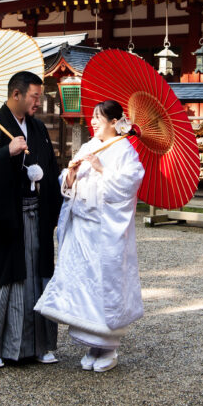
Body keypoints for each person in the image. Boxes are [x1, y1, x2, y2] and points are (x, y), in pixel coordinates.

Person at [34, 99, 145, 373]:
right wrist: (70, 176)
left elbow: (128, 185)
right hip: (82, 228)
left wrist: (101, 169)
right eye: (93, 117)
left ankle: (108, 348)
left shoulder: (124, 150)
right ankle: (92, 346)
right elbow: (69, 186)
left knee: (104, 282)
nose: (93, 121)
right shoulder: (88, 146)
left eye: (99, 118)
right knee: (84, 283)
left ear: (114, 122)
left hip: (105, 230)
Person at [0, 70, 61, 369]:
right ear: (16, 94)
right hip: (6, 218)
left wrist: (46, 179)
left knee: (39, 276)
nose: (38, 103)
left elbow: (49, 164)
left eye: (40, 97)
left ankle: (42, 345)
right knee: (7, 278)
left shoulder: (38, 128)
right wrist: (5, 151)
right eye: (34, 97)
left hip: (37, 213)